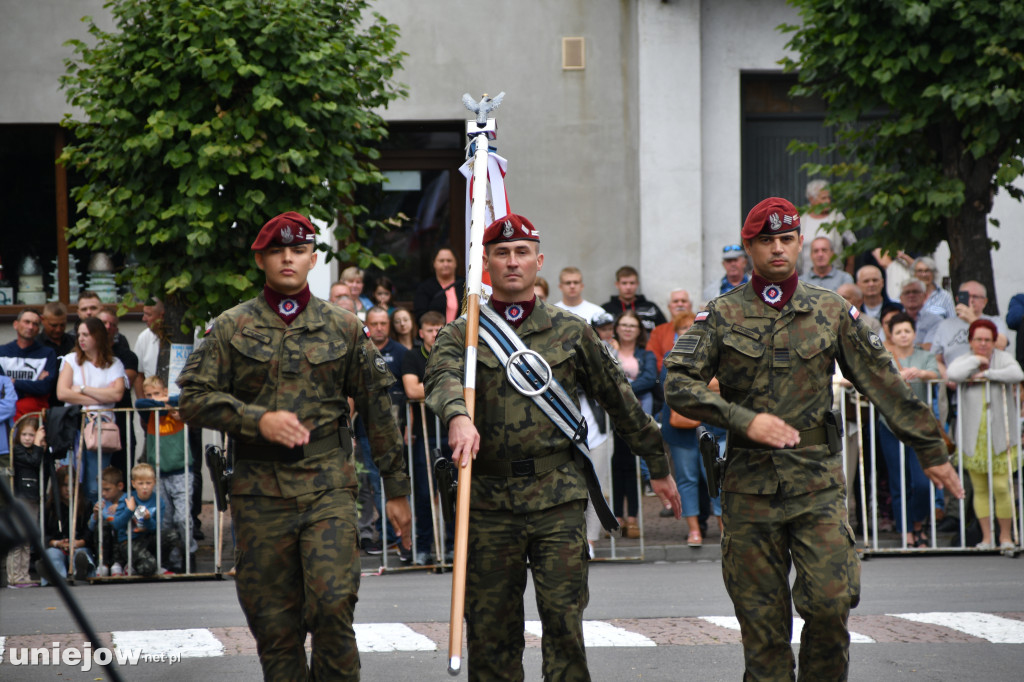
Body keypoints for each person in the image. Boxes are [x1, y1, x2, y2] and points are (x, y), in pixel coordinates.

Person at [664, 196, 963, 681]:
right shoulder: (721, 315)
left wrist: (931, 449)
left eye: (786, 239)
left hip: (816, 485)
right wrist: (742, 419)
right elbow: (678, 383)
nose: (777, 249)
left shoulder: (830, 311)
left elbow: (884, 382)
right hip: (748, 487)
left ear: (800, 243)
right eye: (766, 241)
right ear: (749, 247)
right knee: (763, 631)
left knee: (829, 605)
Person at [424, 213, 680, 681]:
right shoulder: (463, 332)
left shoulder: (570, 331)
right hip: (487, 501)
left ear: (538, 262)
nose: (512, 261)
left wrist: (658, 464)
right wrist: (458, 415)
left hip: (556, 498)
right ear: (487, 262)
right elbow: (440, 378)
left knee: (564, 626)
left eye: (522, 252)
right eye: (501, 253)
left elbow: (620, 401)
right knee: (492, 634)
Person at [177, 211, 412, 681]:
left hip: (327, 484)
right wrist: (256, 419)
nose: (288, 257)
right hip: (259, 493)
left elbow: (377, 407)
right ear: (261, 259)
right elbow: (192, 399)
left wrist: (398, 489)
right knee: (274, 625)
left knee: (332, 604)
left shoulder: (344, 326)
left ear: (311, 259)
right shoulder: (230, 326)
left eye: (299, 249)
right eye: (277, 251)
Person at [946, 319, 1023, 551]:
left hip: (1000, 435)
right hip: (973, 435)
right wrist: (976, 361)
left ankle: (1006, 537)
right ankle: (987, 538)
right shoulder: (964, 359)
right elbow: (953, 373)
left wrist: (988, 372)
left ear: (994, 341)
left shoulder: (1003, 358)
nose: (983, 344)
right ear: (970, 341)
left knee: (1002, 486)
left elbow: (1016, 373)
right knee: (979, 488)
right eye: (978, 339)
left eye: (987, 340)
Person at [877, 313, 941, 547]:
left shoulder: (925, 355)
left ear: (914, 333)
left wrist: (921, 374)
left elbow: (937, 373)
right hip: (890, 425)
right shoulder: (884, 357)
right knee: (898, 482)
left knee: (923, 482)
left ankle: (917, 524)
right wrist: (897, 378)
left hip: (920, 427)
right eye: (898, 332)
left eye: (907, 331)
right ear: (891, 336)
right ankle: (907, 533)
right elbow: (875, 381)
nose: (903, 335)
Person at [659, 311, 721, 547]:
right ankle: (694, 530)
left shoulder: (716, 356)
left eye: (693, 327)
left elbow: (724, 385)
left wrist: (696, 385)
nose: (689, 332)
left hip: (717, 426)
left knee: (717, 478)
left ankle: (725, 528)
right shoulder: (670, 356)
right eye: (684, 328)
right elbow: (674, 388)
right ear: (677, 333)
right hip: (680, 428)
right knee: (687, 479)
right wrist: (709, 386)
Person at [55, 317, 128, 507]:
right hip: (75, 424)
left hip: (100, 426)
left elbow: (118, 394)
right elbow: (62, 393)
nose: (81, 338)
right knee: (71, 477)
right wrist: (103, 397)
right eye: (79, 334)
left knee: (96, 481)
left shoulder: (114, 364)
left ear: (98, 336)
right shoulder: (71, 360)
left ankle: (96, 526)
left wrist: (82, 389)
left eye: (86, 334)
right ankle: (75, 524)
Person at [400, 311, 451, 564]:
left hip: (452, 433)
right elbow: (411, 389)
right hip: (426, 435)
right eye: (430, 330)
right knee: (423, 492)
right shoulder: (412, 356)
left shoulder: (453, 353)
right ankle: (422, 548)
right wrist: (445, 387)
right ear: (421, 333)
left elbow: (466, 385)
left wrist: (427, 389)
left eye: (439, 328)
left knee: (452, 492)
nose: (435, 333)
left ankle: (452, 546)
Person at [136, 375, 199, 570]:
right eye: (150, 394)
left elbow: (184, 400)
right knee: (166, 520)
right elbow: (139, 402)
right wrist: (159, 402)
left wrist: (169, 403)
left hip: (181, 471)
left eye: (157, 393)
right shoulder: (149, 412)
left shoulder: (178, 410)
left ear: (165, 392)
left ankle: (189, 552)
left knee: (183, 517)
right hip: (159, 473)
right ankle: (174, 561)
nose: (153, 398)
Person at [608, 310, 658, 538]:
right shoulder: (608, 350)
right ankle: (616, 517)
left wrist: (621, 391)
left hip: (638, 417)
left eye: (633, 325)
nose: (628, 328)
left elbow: (648, 379)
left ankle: (633, 519)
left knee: (634, 468)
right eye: (624, 324)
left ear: (639, 331)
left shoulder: (646, 354)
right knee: (617, 467)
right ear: (617, 327)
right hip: (613, 417)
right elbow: (603, 375)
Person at [111, 462, 180, 576]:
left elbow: (157, 528)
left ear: (154, 482)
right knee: (147, 569)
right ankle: (133, 564)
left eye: (148, 483)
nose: (144, 487)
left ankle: (159, 564)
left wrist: (148, 519)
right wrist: (129, 510)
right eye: (140, 483)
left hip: (147, 538)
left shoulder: (158, 501)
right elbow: (117, 525)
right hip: (129, 541)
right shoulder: (127, 499)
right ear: (133, 483)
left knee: (172, 535)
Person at [930, 280, 1009, 366]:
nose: (971, 300)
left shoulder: (995, 321)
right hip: (953, 377)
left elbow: (1001, 345)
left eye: (975, 297)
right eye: (966, 296)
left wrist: (973, 320)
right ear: (957, 299)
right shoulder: (944, 325)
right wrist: (948, 376)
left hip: (986, 376)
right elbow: (935, 359)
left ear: (985, 301)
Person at [6, 419, 46, 587]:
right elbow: (33, 461)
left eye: (32, 435)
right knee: (19, 538)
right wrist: (38, 444)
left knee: (28, 538)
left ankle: (24, 575)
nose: (28, 438)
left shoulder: (36, 451)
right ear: (17, 435)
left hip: (33, 497)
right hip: (20, 498)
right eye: (24, 434)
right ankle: (14, 577)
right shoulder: (17, 451)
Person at [39, 465, 95, 585]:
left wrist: (79, 542)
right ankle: (59, 578)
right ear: (57, 486)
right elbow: (42, 533)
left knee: (80, 555)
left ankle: (81, 573)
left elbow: (89, 530)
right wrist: (57, 543)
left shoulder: (86, 504)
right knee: (53, 555)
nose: (69, 489)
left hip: (78, 545)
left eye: (73, 484)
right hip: (56, 546)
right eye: (65, 485)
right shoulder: (48, 506)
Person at [0, 308, 57, 420]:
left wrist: (13, 382)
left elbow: (45, 388)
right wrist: (32, 389)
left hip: (35, 417)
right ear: (16, 325)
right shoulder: (2, 353)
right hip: (6, 416)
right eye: (27, 322)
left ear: (38, 329)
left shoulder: (47, 354)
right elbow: (1, 388)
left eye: (35, 324)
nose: (30, 327)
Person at [797, 179, 856, 276]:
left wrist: (849, 269)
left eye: (829, 198)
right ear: (812, 199)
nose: (828, 201)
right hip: (805, 276)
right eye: (823, 198)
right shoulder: (801, 218)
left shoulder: (836, 216)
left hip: (834, 277)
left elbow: (852, 243)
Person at [601, 265, 667, 333]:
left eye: (632, 283)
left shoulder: (651, 308)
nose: (628, 287)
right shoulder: (606, 310)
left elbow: (664, 332)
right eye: (624, 283)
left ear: (637, 284)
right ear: (617, 284)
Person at [87, 466, 125, 576]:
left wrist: (121, 509)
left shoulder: (127, 499)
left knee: (119, 524)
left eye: (107, 490)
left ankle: (119, 564)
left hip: (122, 542)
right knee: (102, 525)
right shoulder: (102, 502)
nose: (103, 493)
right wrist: (95, 515)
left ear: (120, 486)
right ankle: (103, 564)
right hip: (106, 542)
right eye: (101, 490)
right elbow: (90, 527)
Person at [414, 246, 465, 324]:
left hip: (461, 334)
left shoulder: (465, 285)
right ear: (434, 263)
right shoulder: (425, 287)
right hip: (435, 334)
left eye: (449, 261)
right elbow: (421, 316)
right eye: (441, 261)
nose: (445, 264)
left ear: (456, 263)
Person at [647, 288, 693, 371]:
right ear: (669, 306)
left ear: (690, 305)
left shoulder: (702, 328)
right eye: (675, 301)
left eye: (684, 301)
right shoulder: (658, 331)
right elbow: (653, 358)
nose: (680, 304)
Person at [897, 278, 942, 348]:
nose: (911, 295)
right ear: (901, 298)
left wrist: (902, 347)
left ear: (925, 296)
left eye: (915, 292)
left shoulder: (935, 321)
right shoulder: (893, 320)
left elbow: (929, 347)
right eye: (907, 293)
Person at [133, 297, 163, 399]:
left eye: (148, 314)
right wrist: (144, 408)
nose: (143, 318)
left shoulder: (192, 337)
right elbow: (138, 375)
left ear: (162, 315)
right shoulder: (144, 338)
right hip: (152, 403)